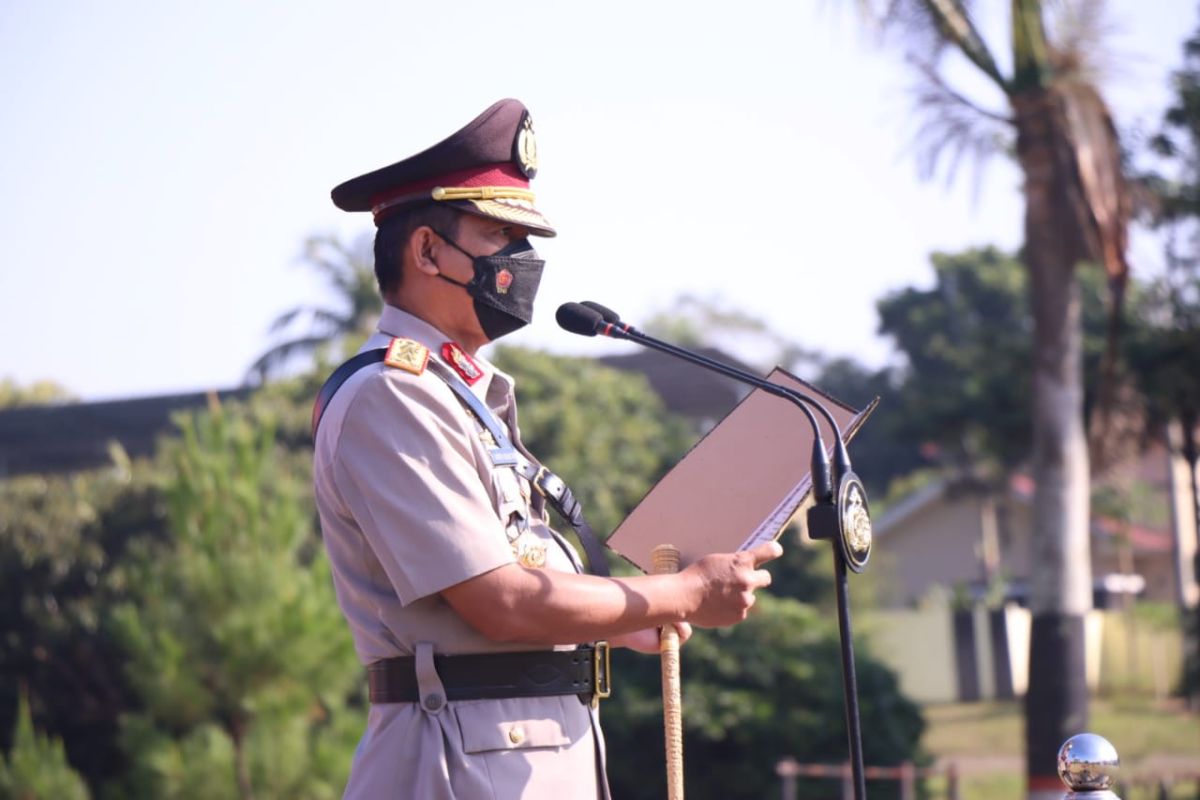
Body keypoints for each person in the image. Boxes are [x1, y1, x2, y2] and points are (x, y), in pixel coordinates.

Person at [312, 98, 782, 800]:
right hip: (457, 764)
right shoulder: (393, 395)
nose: (521, 261)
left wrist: (637, 617)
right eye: (499, 235)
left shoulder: (464, 396)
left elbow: (521, 576)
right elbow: (499, 601)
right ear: (428, 251)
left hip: (526, 748)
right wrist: (678, 591)